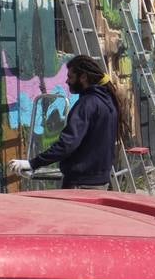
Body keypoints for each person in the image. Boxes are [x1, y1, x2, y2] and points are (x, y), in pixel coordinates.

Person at [8, 55, 128, 190]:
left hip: (81, 185)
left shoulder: (87, 104)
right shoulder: (108, 101)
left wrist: (32, 164)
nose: (67, 81)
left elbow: (67, 144)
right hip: (100, 183)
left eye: (70, 77)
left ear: (83, 77)